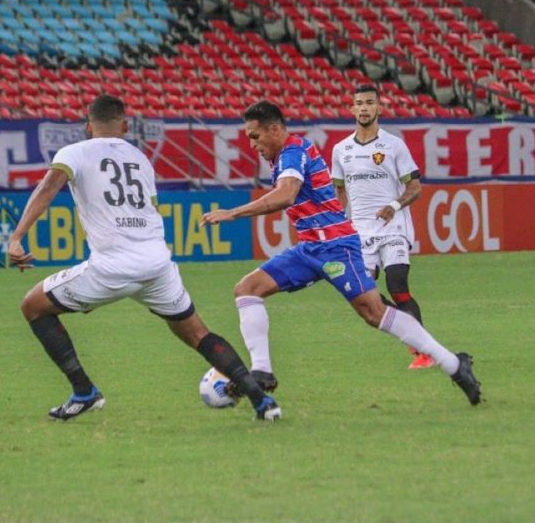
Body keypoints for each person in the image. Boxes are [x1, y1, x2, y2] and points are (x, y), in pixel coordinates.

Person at [7, 94, 281, 421]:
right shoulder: (140, 158)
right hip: (157, 264)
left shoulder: (74, 152)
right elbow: (149, 208)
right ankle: (263, 403)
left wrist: (17, 236)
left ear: (87, 126)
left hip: (112, 266)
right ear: (124, 126)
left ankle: (84, 392)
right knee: (197, 333)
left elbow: (48, 188)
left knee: (33, 306)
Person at [201, 100, 481, 405]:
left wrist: (233, 213)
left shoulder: (293, 152)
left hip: (336, 245)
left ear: (275, 129)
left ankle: (454, 365)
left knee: (374, 313)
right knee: (247, 290)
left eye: (255, 136)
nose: (251, 144)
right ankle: (263, 372)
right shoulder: (286, 154)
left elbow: (286, 194)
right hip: (310, 247)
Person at [330, 84, 434, 369]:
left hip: (393, 227)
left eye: (369, 103)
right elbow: (339, 192)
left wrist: (395, 206)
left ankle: (424, 352)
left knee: (397, 284)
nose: (364, 108)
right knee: (364, 297)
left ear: (378, 108)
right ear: (352, 109)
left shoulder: (393, 145)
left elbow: (415, 186)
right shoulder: (341, 150)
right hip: (360, 232)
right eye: (359, 103)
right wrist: (336, 221)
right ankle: (410, 331)